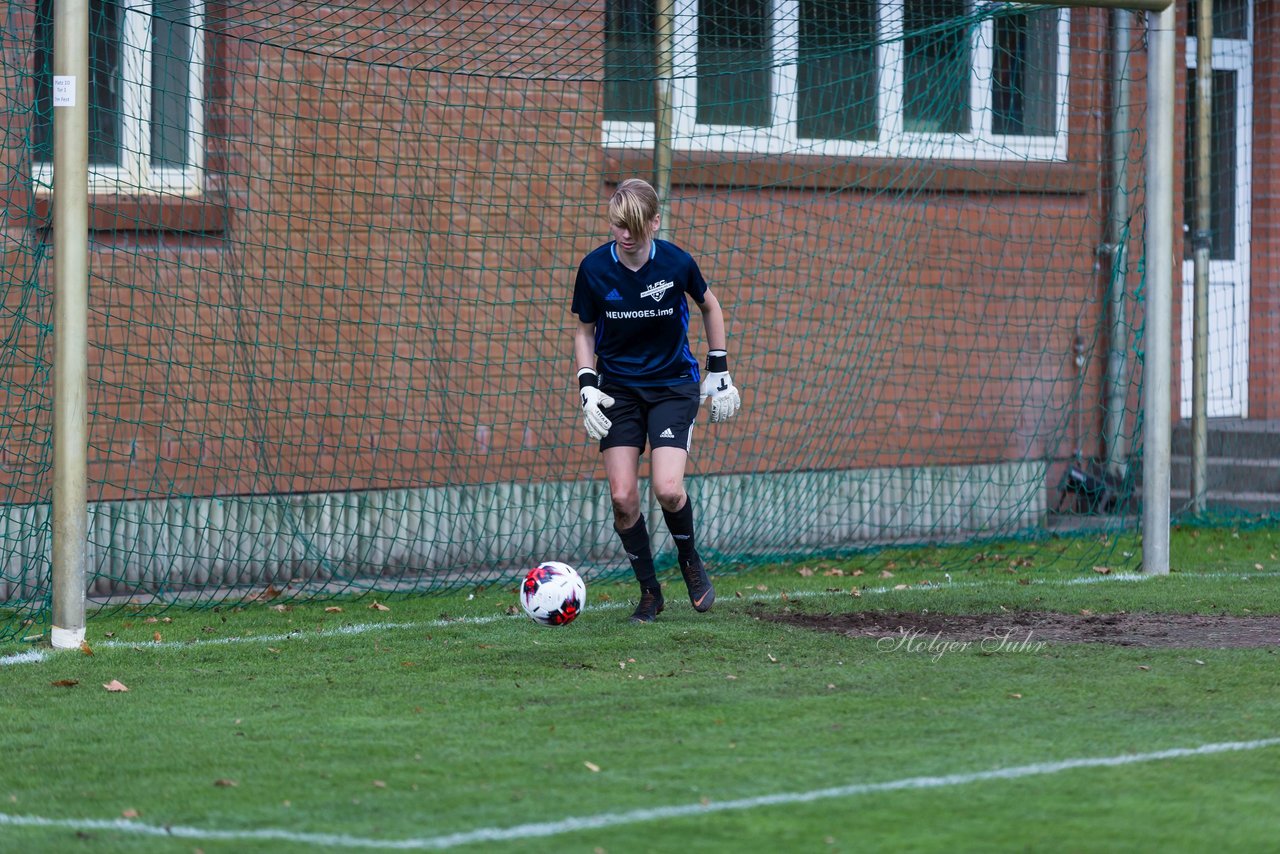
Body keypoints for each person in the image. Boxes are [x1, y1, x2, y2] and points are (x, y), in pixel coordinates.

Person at [571, 178, 741, 623]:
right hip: (619, 391)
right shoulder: (593, 269)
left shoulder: (676, 262)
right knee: (624, 498)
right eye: (617, 226)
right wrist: (587, 383)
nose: (625, 235)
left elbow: (711, 306)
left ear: (653, 221)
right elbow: (584, 330)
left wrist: (719, 369)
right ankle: (650, 592)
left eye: (633, 226)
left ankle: (689, 561)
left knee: (667, 489)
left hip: (671, 386)